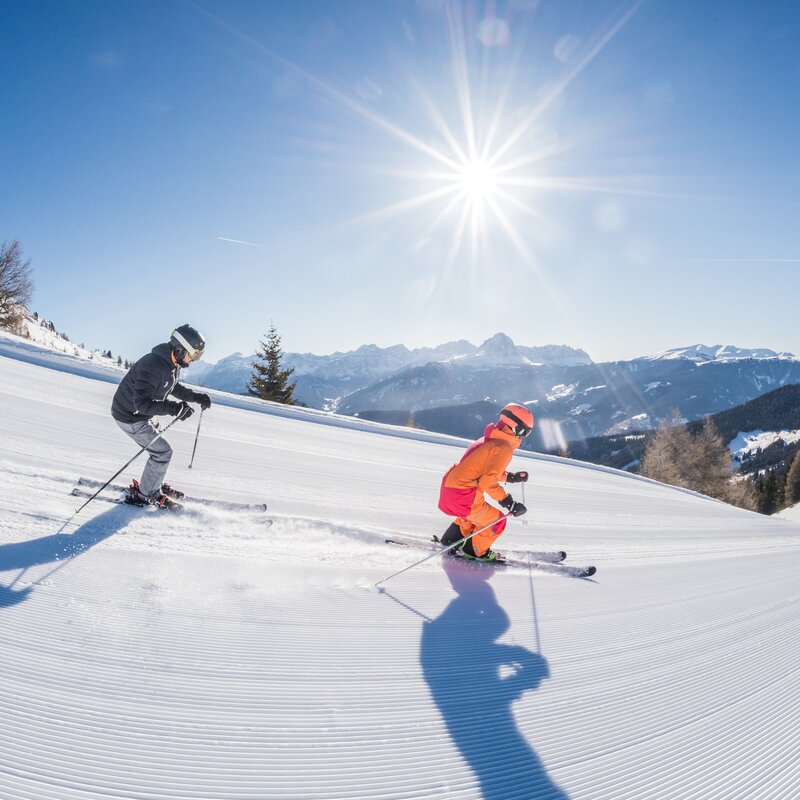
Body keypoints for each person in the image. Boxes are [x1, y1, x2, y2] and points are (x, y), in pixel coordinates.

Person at [111, 324, 212, 509]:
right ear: (181, 348)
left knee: (159, 450)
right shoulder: (152, 365)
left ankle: (152, 482)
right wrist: (174, 409)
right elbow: (140, 404)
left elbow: (173, 386)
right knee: (163, 452)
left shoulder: (172, 363)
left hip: (142, 414)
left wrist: (197, 397)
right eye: (194, 354)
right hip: (129, 416)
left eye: (199, 355)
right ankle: (145, 494)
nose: (194, 359)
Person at [437, 403, 533, 560]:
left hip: (451, 489)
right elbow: (487, 482)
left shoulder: (487, 440)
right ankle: (474, 551)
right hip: (464, 495)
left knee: (473, 516)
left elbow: (483, 471)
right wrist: (509, 503)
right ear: (518, 428)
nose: (524, 436)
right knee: (496, 521)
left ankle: (451, 539)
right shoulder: (504, 448)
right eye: (526, 432)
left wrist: (510, 477)